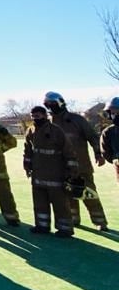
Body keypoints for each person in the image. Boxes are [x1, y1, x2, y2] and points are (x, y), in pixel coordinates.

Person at [42, 91, 108, 231]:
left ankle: (99, 221)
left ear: (60, 103)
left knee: (89, 194)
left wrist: (98, 154)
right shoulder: (48, 123)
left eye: (52, 104)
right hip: (61, 168)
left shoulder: (77, 120)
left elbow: (92, 137)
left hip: (81, 166)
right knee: (67, 196)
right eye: (47, 105)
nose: (50, 107)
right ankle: (74, 219)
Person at [23, 105, 78, 237]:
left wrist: (71, 171)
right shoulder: (30, 131)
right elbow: (28, 151)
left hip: (56, 174)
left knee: (60, 204)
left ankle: (65, 228)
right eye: (33, 116)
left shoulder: (56, 131)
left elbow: (68, 151)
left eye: (38, 115)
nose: (35, 118)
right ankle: (42, 225)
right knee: (40, 203)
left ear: (45, 116)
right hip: (38, 175)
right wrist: (27, 165)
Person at [99, 97, 119, 193]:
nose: (114, 115)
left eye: (116, 112)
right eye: (112, 112)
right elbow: (105, 151)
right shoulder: (108, 131)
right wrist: (115, 160)